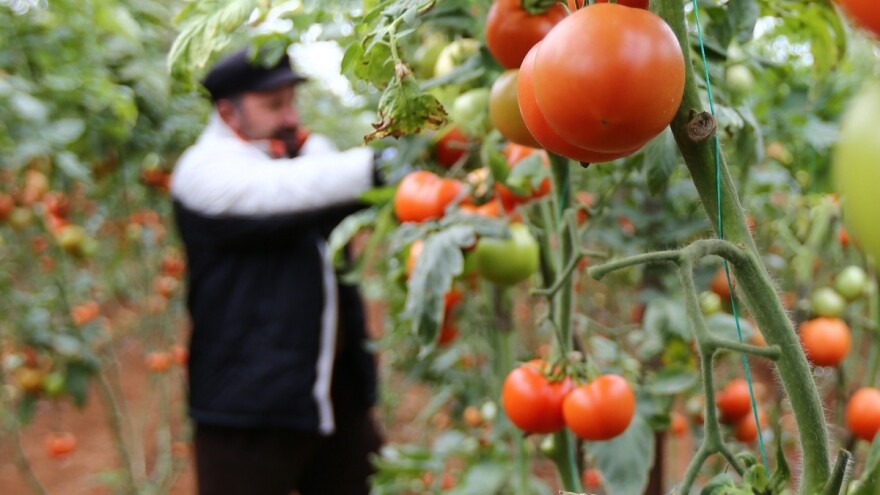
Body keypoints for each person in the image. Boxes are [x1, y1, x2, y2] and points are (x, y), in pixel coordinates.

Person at [170, 46, 384, 495]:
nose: (289, 117)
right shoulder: (204, 173)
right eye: (273, 105)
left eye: (291, 101)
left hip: (332, 396)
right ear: (228, 112)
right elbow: (292, 191)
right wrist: (386, 162)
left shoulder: (296, 155)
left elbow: (318, 180)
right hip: (248, 409)